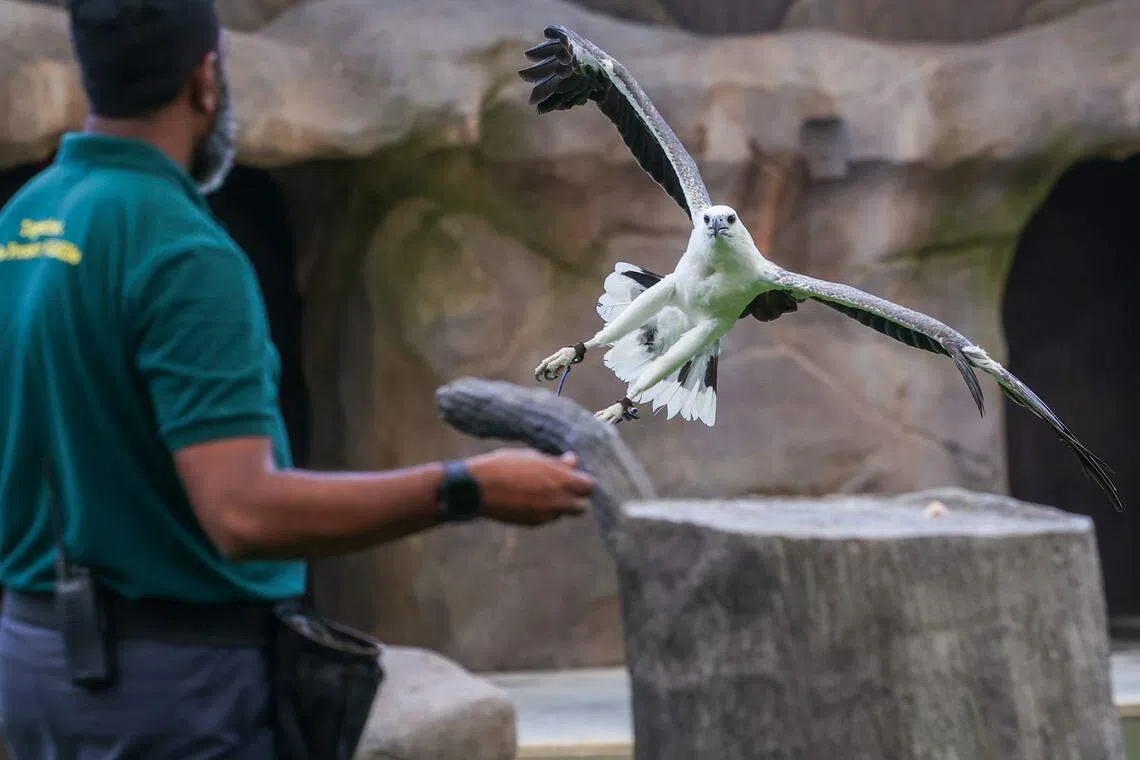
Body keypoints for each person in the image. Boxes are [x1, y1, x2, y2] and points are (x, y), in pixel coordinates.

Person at [0, 1, 595, 757]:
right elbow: (240, 513)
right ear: (206, 79)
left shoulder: (23, 221)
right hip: (172, 694)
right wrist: (464, 488)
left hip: (34, 664)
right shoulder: (182, 252)